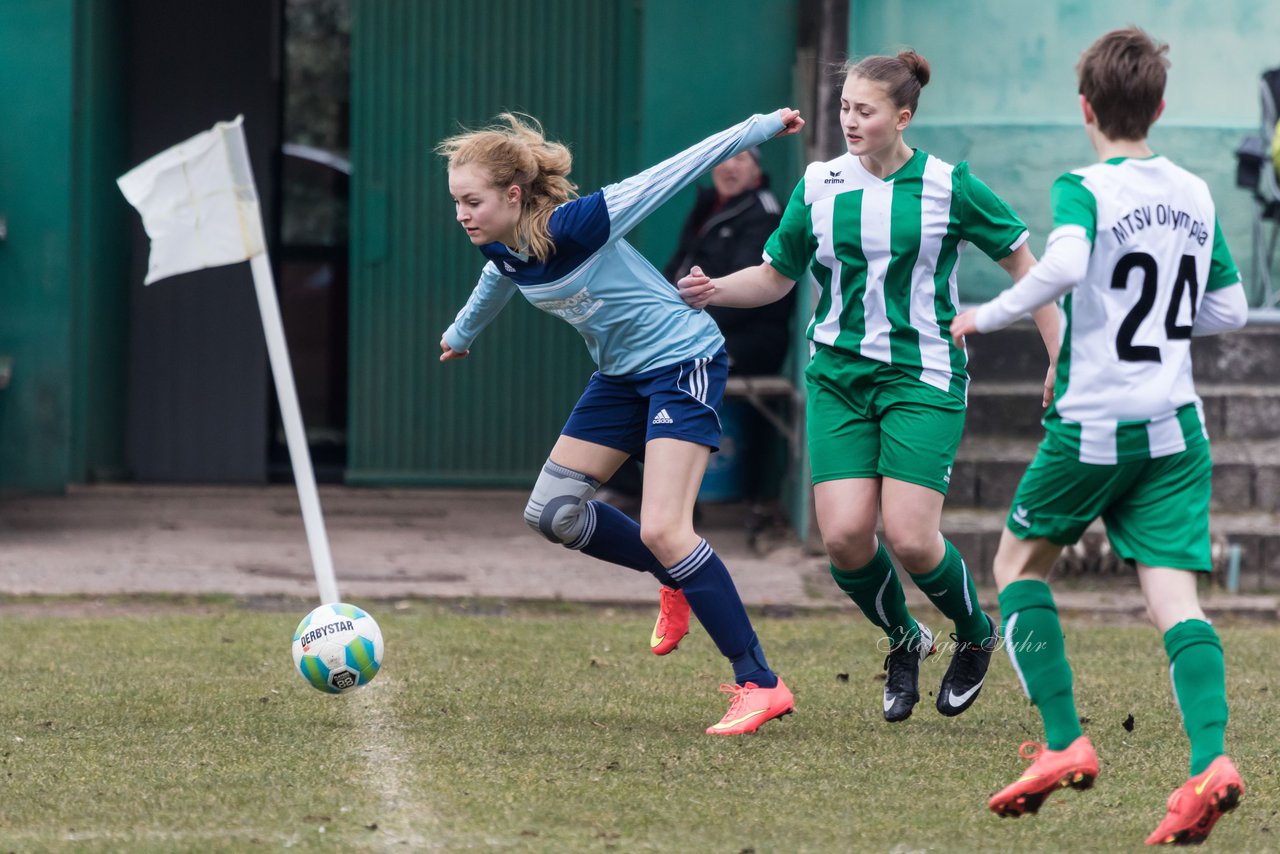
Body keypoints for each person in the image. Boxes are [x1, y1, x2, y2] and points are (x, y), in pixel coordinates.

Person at [677, 50, 1059, 723]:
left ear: (903, 117)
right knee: (848, 538)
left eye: (865, 110)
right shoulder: (820, 183)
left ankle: (974, 632)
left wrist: (1061, 355)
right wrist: (713, 292)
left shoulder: (950, 185)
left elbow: (1029, 268)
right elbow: (776, 274)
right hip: (839, 378)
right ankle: (903, 638)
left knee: (912, 538)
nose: (849, 121)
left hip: (924, 375)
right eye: (844, 108)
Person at [950, 27, 1248, 845]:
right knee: (1175, 601)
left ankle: (1061, 741)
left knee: (1017, 565)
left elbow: (1068, 262)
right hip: (1175, 428)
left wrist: (988, 313)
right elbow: (1228, 308)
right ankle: (1210, 763)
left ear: (1086, 107)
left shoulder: (1084, 185)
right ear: (1159, 105)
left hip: (1097, 427)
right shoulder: (1193, 190)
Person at [437, 106, 805, 735]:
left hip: (683, 360)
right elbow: (496, 280)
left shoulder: (582, 222)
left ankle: (759, 682)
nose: (462, 214)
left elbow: (677, 167)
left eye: (472, 201)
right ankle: (678, 578)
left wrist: (761, 126)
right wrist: (461, 333)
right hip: (619, 378)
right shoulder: (504, 249)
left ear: (514, 195)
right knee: (554, 514)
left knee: (666, 526)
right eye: (457, 202)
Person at [599, 148, 793, 514]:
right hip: (687, 334)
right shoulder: (708, 205)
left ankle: (677, 502)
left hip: (748, 343)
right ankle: (635, 491)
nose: (730, 167)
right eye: (725, 158)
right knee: (614, 371)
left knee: (666, 374)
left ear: (757, 169)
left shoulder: (764, 212)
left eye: (742, 159)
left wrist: (677, 330)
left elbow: (752, 294)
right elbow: (673, 271)